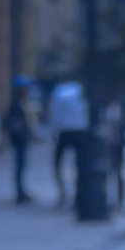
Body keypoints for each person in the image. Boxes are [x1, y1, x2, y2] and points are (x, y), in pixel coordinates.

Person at [47, 76, 89, 207]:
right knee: (80, 165)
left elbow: (54, 114)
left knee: (58, 164)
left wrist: (53, 130)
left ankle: (63, 193)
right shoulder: (82, 90)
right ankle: (78, 194)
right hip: (81, 131)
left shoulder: (59, 91)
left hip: (64, 131)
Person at [3, 80, 35, 203]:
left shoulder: (23, 103)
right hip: (19, 139)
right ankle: (20, 192)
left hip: (22, 139)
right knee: (20, 166)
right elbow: (11, 122)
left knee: (22, 166)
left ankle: (21, 191)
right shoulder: (16, 104)